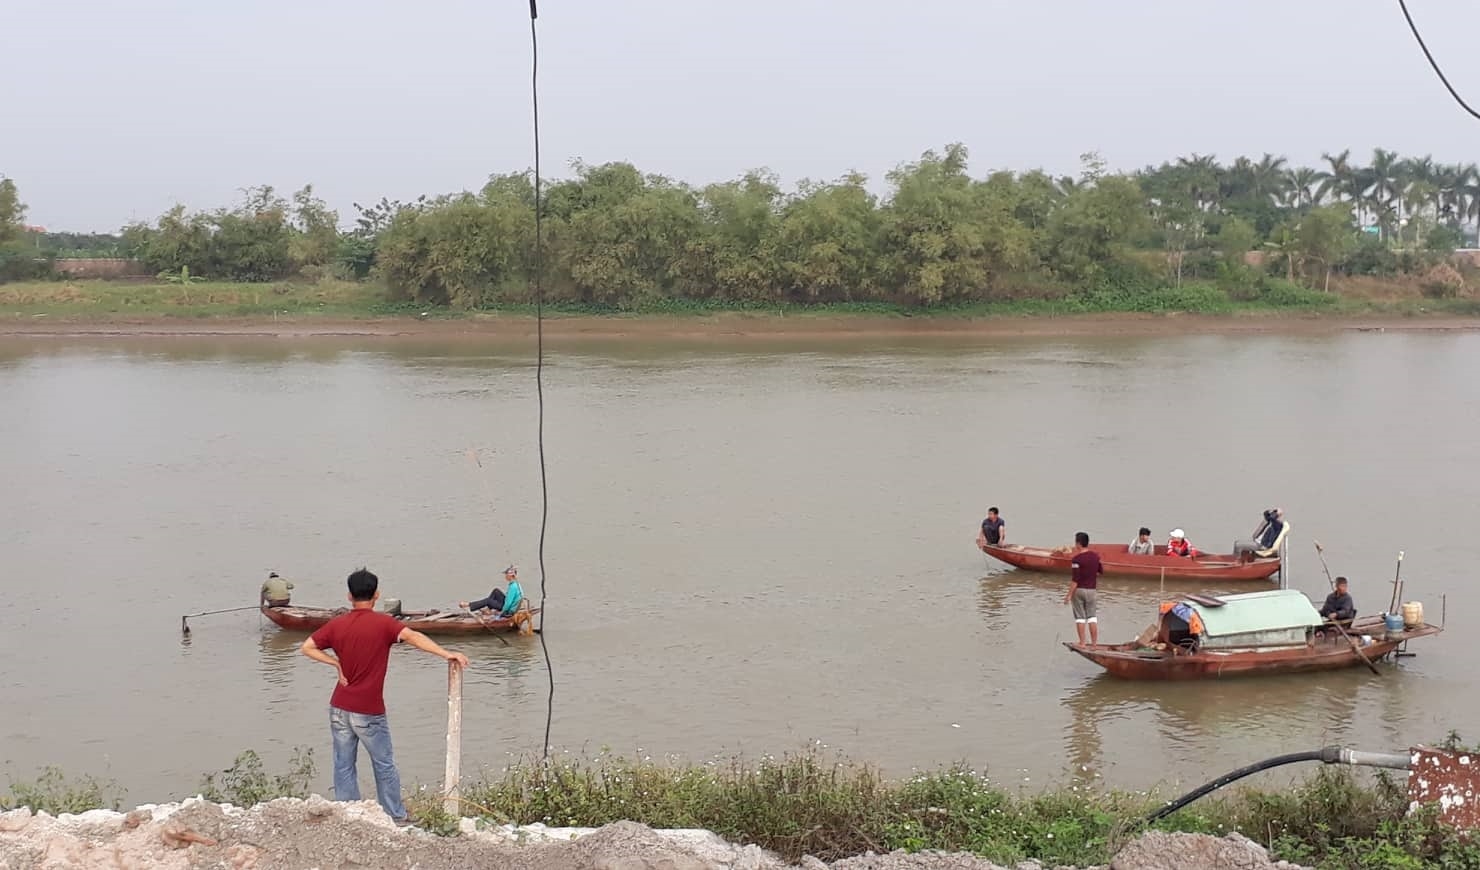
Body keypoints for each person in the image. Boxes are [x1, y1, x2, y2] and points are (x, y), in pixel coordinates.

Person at [300, 568, 470, 824]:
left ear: (349, 596)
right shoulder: (384, 624)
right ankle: (395, 815)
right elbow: (414, 637)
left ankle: (349, 816)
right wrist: (446, 654)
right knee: (384, 764)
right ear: (377, 595)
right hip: (368, 710)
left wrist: (335, 663)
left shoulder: (336, 625)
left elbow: (307, 647)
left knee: (343, 764)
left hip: (339, 707)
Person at [1063, 532, 1103, 645]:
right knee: (1092, 618)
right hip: (1092, 590)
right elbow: (1100, 572)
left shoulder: (1076, 559)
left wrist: (1069, 595)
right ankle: (1094, 644)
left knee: (1080, 618)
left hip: (1079, 590)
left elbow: (1075, 579)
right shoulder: (1096, 557)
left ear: (1079, 544)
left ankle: (1082, 642)